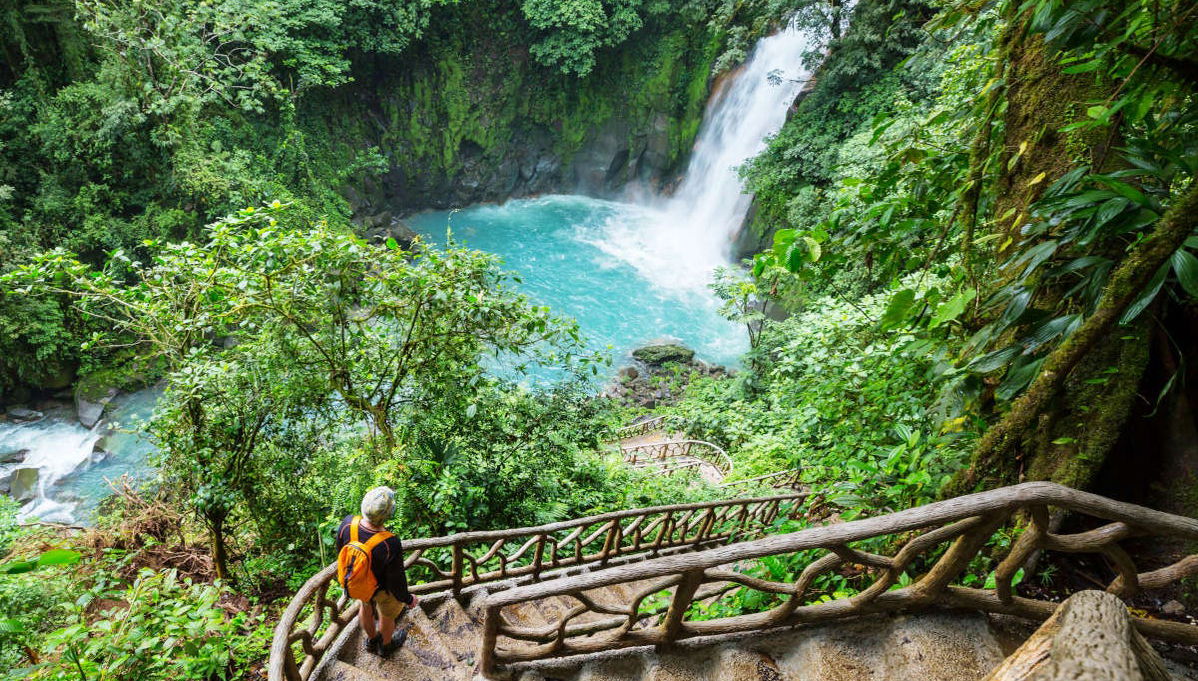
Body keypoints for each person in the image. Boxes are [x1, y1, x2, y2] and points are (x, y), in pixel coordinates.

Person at [335, 486, 419, 657]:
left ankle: (372, 640)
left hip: (358, 584)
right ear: (388, 514)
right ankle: (386, 646)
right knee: (387, 616)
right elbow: (396, 579)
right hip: (382, 590)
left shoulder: (347, 524)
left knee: (365, 606)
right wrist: (408, 598)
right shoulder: (390, 543)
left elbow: (341, 553)